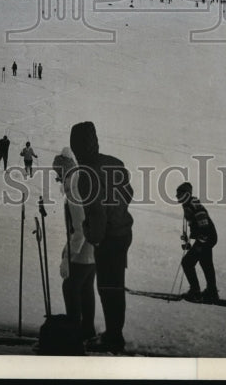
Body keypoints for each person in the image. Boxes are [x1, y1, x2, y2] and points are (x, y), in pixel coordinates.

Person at [69, 121, 133, 354]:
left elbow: (95, 213)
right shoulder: (115, 162)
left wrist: (91, 234)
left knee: (108, 288)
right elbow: (129, 193)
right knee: (116, 285)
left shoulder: (86, 173)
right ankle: (114, 333)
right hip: (124, 232)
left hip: (108, 239)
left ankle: (114, 337)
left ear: (77, 146)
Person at [53, 147, 96, 344]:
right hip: (92, 251)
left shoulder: (74, 192)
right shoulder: (78, 185)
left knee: (70, 287)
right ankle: (86, 330)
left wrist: (68, 258)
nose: (56, 178)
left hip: (83, 252)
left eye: (58, 173)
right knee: (85, 288)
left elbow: (80, 229)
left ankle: (75, 331)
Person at [176, 182, 218, 303]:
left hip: (206, 238)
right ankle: (211, 292)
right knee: (206, 264)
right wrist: (190, 239)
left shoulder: (194, 205)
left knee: (187, 262)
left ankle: (195, 292)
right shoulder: (187, 204)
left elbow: (203, 225)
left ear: (187, 194)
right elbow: (195, 225)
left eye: (180, 193)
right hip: (207, 237)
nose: (177, 196)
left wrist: (199, 243)